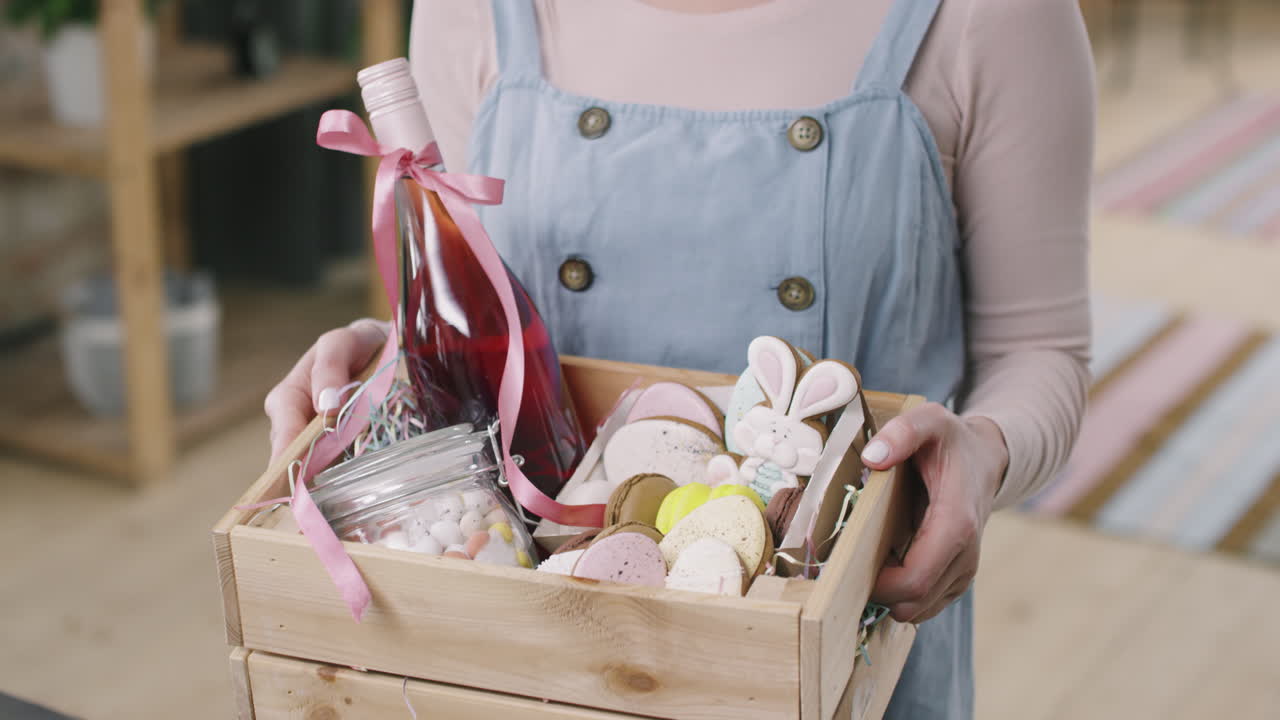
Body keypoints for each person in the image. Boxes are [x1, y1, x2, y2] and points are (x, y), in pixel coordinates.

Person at [264, 0, 1095, 716]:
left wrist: (983, 453)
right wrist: (394, 371)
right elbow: (470, 295)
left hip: (840, 660)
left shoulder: (993, 15)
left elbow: (1040, 351)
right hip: (540, 663)